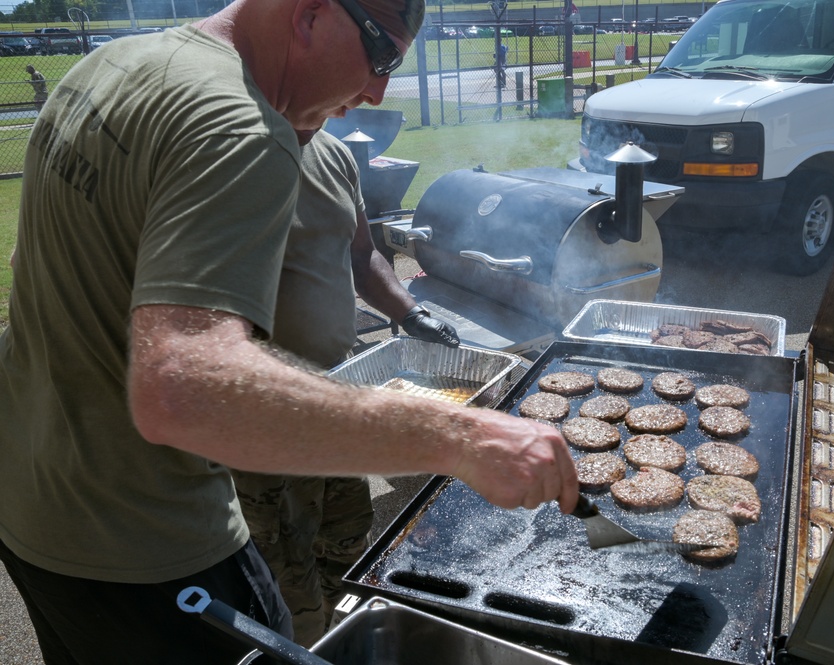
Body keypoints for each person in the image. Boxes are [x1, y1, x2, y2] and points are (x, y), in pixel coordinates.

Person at [0, 0, 578, 662]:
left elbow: (27, 268)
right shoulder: (240, 125)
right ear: (309, 14)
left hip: (35, 516)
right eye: (381, 55)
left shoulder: (110, 66)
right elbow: (182, 391)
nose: (376, 90)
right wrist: (462, 437)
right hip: (151, 546)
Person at [233, 127, 459, 646]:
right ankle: (303, 648)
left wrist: (411, 312)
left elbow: (361, 255)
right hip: (263, 422)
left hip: (337, 395)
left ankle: (342, 638)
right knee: (286, 570)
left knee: (346, 538)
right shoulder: (230, 151)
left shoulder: (333, 154)